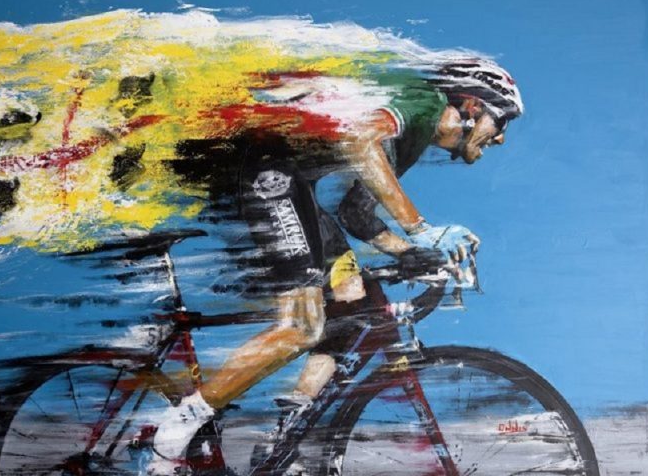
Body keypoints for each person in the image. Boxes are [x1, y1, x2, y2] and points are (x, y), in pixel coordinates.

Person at [145, 57, 524, 475]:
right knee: (302, 326)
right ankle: (174, 432)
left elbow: (355, 214)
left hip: (290, 180)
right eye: (502, 120)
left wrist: (411, 254)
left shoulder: (409, 142)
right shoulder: (424, 102)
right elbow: (358, 142)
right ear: (472, 106)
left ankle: (282, 442)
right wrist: (420, 230)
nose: (501, 137)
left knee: (354, 301)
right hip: (261, 166)